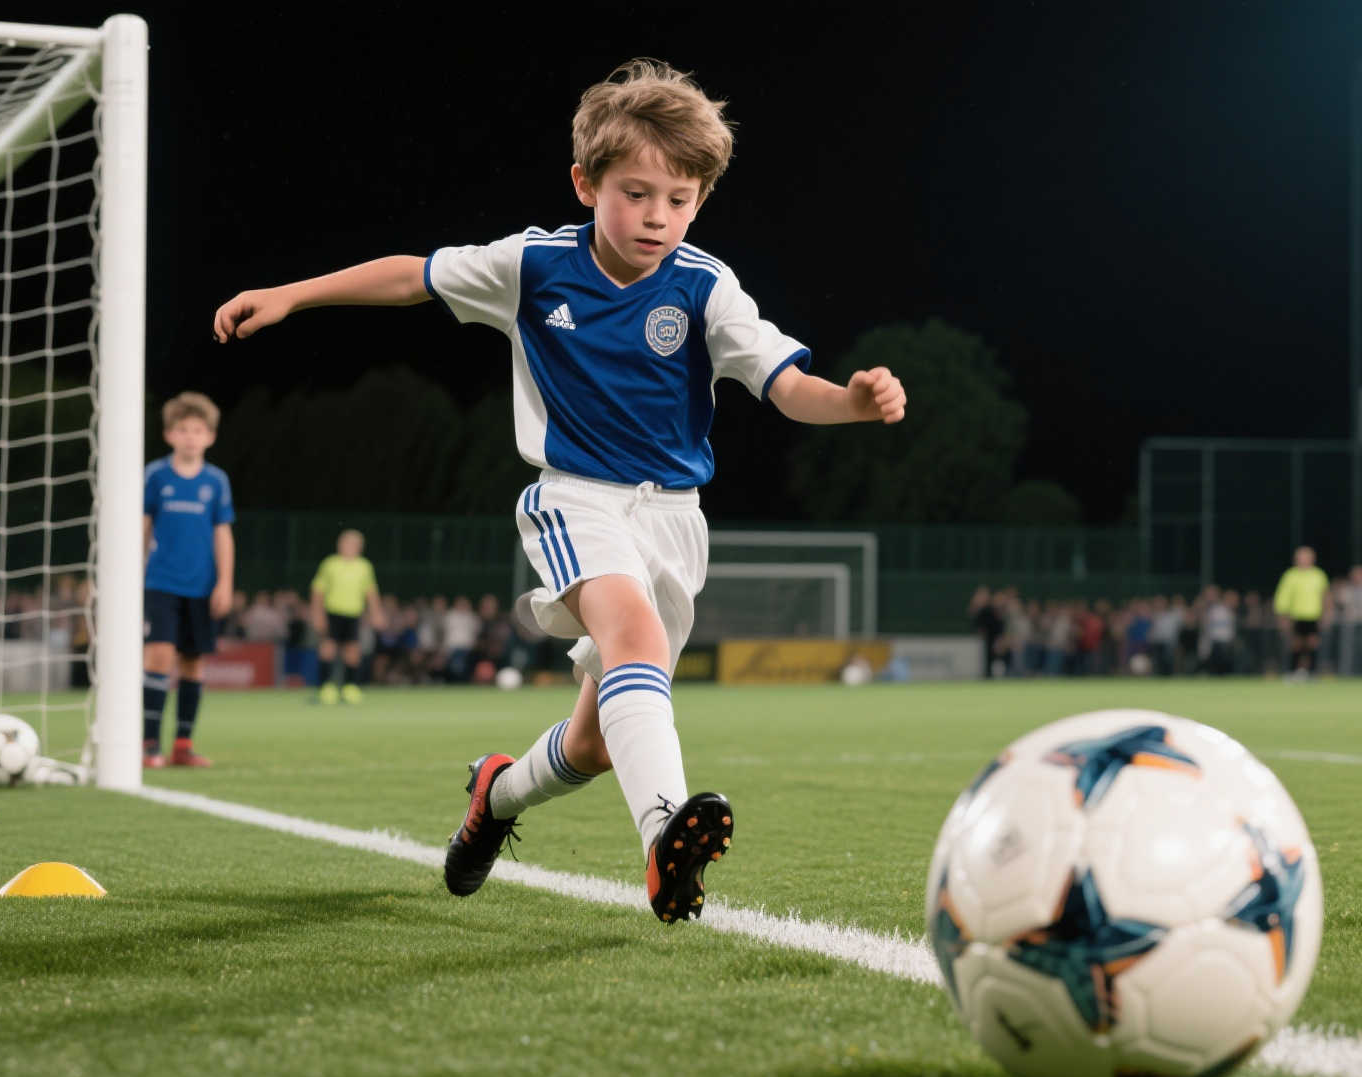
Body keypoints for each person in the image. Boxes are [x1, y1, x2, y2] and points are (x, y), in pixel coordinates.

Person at [215, 60, 905, 921]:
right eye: (636, 191)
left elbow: (783, 383)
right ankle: (664, 842)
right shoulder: (533, 265)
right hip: (575, 499)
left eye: (679, 198)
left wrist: (850, 401)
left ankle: (493, 799)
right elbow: (413, 273)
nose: (657, 216)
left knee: (593, 744)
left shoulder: (705, 286)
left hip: (674, 524)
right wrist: (292, 295)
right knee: (634, 633)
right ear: (585, 183)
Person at [140, 392, 234, 769]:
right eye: (183, 429)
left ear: (210, 436)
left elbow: (222, 533)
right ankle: (149, 746)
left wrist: (225, 581)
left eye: (198, 430)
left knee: (193, 663)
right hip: (161, 582)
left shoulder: (216, 481)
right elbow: (143, 527)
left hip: (202, 585)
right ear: (169, 435)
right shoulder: (156, 475)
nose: (191, 437)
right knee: (159, 655)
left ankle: (183, 744)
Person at [310, 529, 388, 704]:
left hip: (353, 613)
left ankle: (350, 688)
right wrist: (317, 614)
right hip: (333, 612)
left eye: (353, 544)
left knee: (352, 651)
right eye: (345, 543)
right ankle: (326, 688)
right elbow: (318, 590)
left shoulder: (364, 566)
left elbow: (370, 592)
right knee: (328, 649)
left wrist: (377, 613)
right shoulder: (330, 564)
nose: (348, 547)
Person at [1271, 546, 1327, 680]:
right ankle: (1293, 672)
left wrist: (1326, 614)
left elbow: (1325, 596)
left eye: (1306, 557)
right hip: (1295, 616)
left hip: (1313, 616)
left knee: (1312, 643)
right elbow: (1282, 597)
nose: (1303, 560)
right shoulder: (1290, 575)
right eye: (1301, 557)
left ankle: (1311, 672)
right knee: (1296, 644)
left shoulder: (1318, 575)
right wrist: (1282, 616)